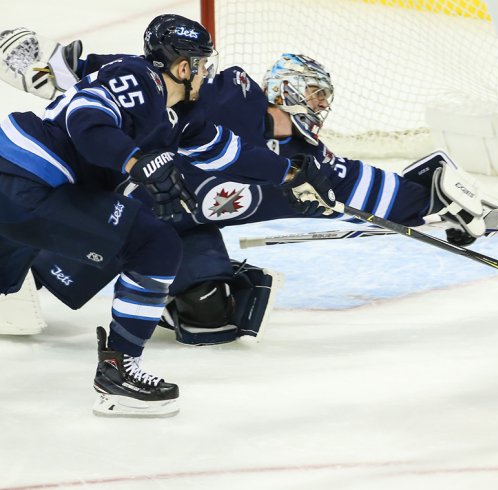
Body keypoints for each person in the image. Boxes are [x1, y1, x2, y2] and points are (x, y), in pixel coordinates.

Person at [0, 33, 498, 345]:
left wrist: (426, 202)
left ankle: (153, 294)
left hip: (175, 221)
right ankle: (28, 279)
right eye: (310, 94)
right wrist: (52, 72)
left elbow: (342, 179)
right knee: (56, 240)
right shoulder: (228, 96)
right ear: (283, 89)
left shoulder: (294, 156)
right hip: (114, 196)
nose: (317, 106)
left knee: (214, 319)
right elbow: (131, 80)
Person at [0, 17, 336, 417]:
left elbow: (228, 153)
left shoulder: (177, 117)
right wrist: (135, 160)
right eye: (202, 64)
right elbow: (86, 118)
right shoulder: (138, 78)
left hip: (25, 187)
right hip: (28, 179)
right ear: (183, 67)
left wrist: (292, 176)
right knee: (154, 244)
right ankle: (119, 371)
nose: (206, 72)